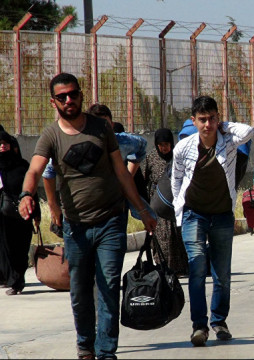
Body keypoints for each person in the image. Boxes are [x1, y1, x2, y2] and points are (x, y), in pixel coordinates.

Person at [18, 73, 156, 360]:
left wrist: (142, 210)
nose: (69, 100)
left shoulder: (100, 129)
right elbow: (35, 171)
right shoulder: (50, 136)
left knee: (108, 285)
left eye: (73, 94)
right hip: (76, 227)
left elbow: (121, 171)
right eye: (62, 97)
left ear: (82, 95)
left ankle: (106, 351)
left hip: (111, 221)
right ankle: (85, 346)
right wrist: (27, 196)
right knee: (80, 291)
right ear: (53, 102)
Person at [171, 95, 253, 347]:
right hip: (194, 214)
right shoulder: (183, 148)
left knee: (222, 273)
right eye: (202, 120)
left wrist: (223, 125)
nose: (207, 125)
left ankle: (219, 321)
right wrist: (179, 207)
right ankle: (199, 326)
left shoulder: (228, 141)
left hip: (221, 216)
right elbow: (176, 181)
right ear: (193, 121)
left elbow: (248, 131)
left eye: (212, 119)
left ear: (218, 118)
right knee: (196, 269)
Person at [41, 103, 149, 228]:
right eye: (98, 126)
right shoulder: (74, 145)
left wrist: (128, 175)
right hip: (80, 212)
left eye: (106, 125)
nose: (103, 131)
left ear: (112, 125)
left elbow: (141, 148)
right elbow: (48, 172)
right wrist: (53, 205)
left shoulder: (123, 142)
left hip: (114, 211)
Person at [140, 128, 188, 276]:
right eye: (160, 145)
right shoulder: (151, 158)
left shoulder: (177, 156)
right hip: (158, 203)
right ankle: (163, 267)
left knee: (178, 235)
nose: (164, 148)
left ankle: (180, 268)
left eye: (166, 144)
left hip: (176, 202)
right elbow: (143, 179)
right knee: (162, 237)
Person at [0, 131, 40, 296]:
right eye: (0, 144)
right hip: (2, 215)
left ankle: (18, 279)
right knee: (6, 248)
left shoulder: (22, 166)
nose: (3, 146)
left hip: (23, 213)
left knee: (21, 248)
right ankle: (13, 281)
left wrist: (36, 214)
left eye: (5, 143)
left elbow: (33, 191)